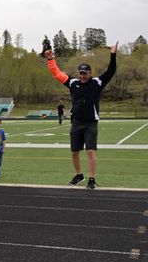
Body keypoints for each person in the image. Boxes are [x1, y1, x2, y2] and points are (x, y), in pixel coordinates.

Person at [44, 41, 118, 190]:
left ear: (90, 73)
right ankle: (79, 175)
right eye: (81, 73)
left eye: (85, 73)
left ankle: (91, 178)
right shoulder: (73, 83)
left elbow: (110, 71)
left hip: (91, 123)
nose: (83, 75)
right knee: (74, 152)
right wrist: (51, 60)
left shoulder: (97, 83)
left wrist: (113, 54)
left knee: (90, 152)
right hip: (76, 122)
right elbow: (57, 74)